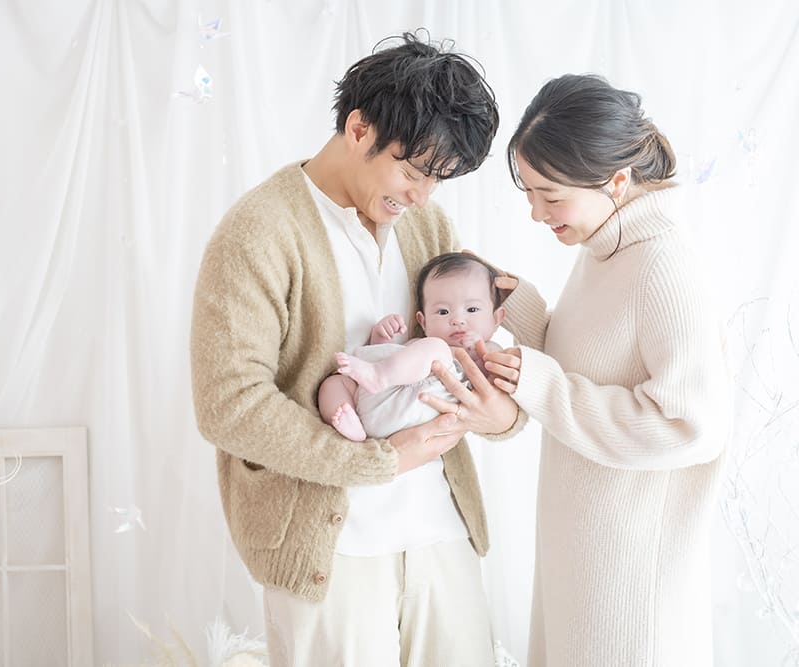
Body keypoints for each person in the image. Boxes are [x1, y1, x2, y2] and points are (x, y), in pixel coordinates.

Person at [190, 31, 522, 666]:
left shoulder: (426, 224)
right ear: (359, 127)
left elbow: (475, 336)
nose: (422, 195)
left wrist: (504, 413)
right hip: (331, 550)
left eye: (437, 180)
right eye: (413, 171)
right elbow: (228, 405)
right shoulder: (258, 232)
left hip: (441, 531)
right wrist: (378, 462)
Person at [457, 74, 731, 666]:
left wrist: (540, 383)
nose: (536, 213)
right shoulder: (605, 247)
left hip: (628, 587)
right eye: (529, 193)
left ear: (617, 181)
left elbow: (690, 426)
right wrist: (515, 305)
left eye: (550, 196)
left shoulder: (662, 265)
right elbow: (592, 366)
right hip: (581, 559)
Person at [319, 253, 505, 442]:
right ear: (423, 322)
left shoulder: (492, 350)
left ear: (497, 318)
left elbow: (495, 392)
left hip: (417, 412)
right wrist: (381, 340)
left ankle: (378, 376)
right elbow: (387, 369)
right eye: (443, 312)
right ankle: (351, 424)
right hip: (372, 407)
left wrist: (479, 356)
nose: (457, 320)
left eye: (472, 309)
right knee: (333, 384)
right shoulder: (420, 347)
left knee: (437, 349)